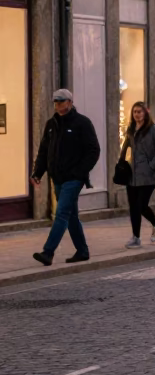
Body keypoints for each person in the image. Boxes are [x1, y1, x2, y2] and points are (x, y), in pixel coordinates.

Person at [30, 89, 101, 266]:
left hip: (74, 178)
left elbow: (93, 151)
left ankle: (48, 252)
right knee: (71, 216)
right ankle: (82, 251)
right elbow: (44, 151)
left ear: (70, 102)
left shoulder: (82, 123)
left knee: (61, 213)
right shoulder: (51, 124)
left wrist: (80, 172)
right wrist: (38, 172)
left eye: (61, 102)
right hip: (58, 178)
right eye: (56, 103)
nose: (58, 106)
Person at [122, 102, 155, 249]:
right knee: (133, 207)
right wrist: (122, 163)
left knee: (142, 205)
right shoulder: (131, 129)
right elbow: (125, 148)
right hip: (133, 175)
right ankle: (136, 237)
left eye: (139, 112)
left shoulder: (154, 129)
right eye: (135, 112)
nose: (137, 115)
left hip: (149, 175)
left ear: (145, 113)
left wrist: (151, 166)